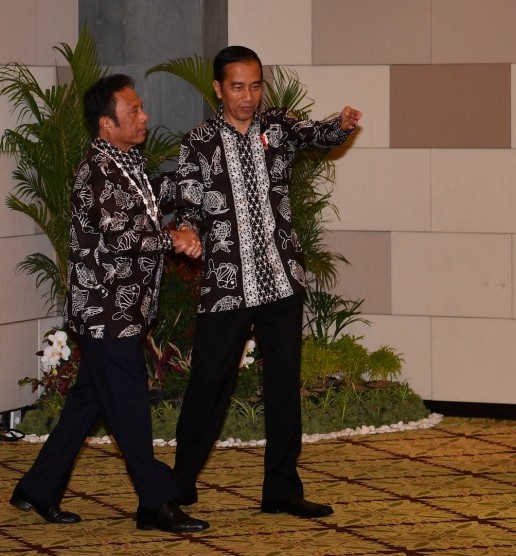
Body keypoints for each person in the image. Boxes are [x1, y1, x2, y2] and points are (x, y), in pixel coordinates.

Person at [8, 74, 208, 533]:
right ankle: (154, 501)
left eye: (140, 109)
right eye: (134, 111)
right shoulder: (95, 172)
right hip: (105, 314)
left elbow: (148, 199)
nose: (145, 117)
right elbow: (123, 235)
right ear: (106, 124)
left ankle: (36, 489)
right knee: (130, 406)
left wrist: (191, 181)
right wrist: (173, 238)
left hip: (123, 309)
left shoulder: (124, 159)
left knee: (88, 404)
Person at [171, 45, 361, 518]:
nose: (247, 96)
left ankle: (282, 489)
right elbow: (188, 203)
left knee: (283, 386)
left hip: (281, 281)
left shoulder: (277, 126)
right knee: (208, 384)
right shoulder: (197, 143)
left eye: (255, 85)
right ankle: (176, 488)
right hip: (226, 284)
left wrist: (340, 125)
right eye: (237, 86)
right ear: (218, 89)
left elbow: (316, 136)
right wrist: (190, 229)